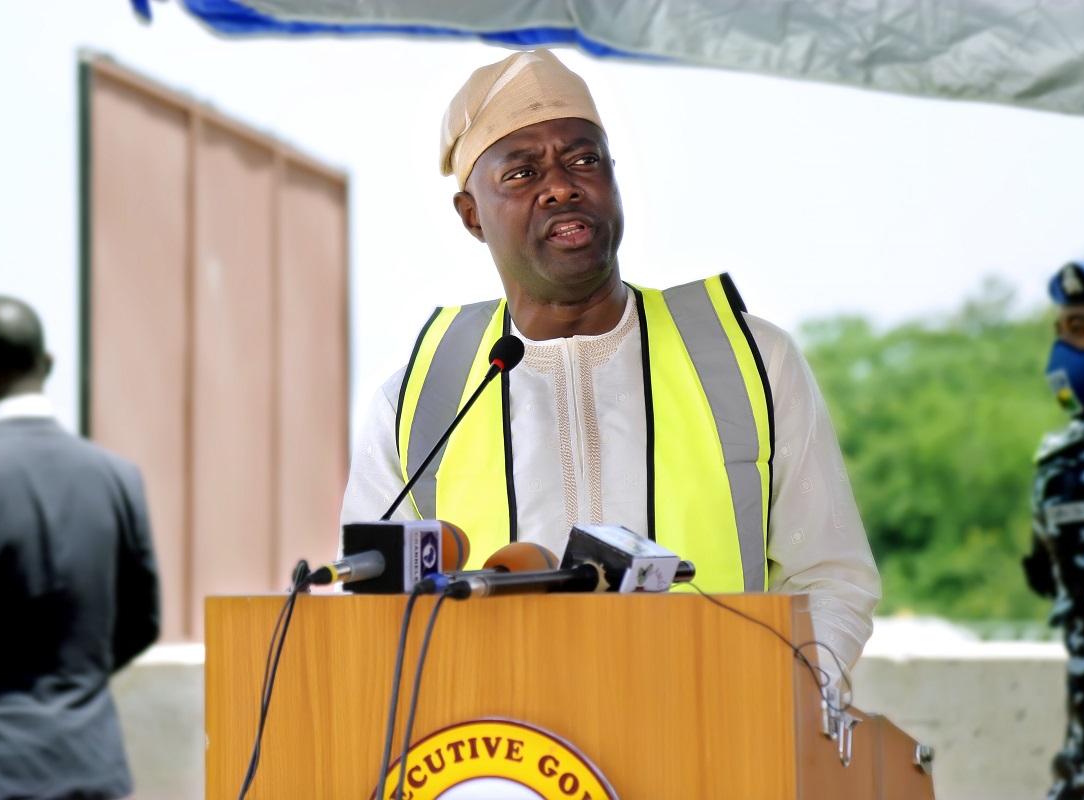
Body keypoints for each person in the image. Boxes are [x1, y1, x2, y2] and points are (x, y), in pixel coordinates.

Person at [341, 49, 880, 680]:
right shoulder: (420, 401)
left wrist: (772, 710)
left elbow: (830, 579)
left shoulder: (751, 360)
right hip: (505, 760)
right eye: (521, 173)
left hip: (714, 749)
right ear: (471, 217)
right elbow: (374, 618)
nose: (562, 184)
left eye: (584, 159)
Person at [0, 296, 160, 800]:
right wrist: (69, 681)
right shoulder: (117, 478)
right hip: (94, 771)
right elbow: (142, 621)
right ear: (46, 365)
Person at [1026, 256, 1084, 800]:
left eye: (1082, 330)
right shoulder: (1062, 463)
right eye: (1061, 332)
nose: (1063, 354)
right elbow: (1048, 581)